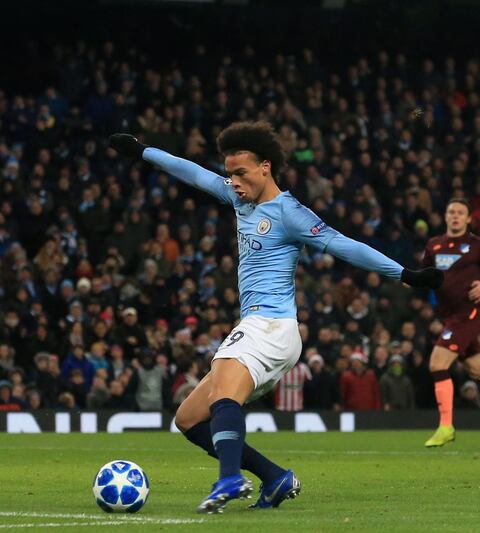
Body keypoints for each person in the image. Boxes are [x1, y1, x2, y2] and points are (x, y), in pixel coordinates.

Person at [109, 122, 442, 514]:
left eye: (241, 173)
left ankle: (230, 478)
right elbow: (194, 173)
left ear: (266, 167)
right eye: (230, 173)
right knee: (189, 419)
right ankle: (274, 477)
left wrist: (403, 274)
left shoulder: (290, 212)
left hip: (271, 325)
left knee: (224, 385)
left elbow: (342, 244)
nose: (233, 181)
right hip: (259, 328)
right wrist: (143, 152)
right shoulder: (239, 199)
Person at [421, 198, 480, 446]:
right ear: (445, 216)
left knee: (437, 363)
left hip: (470, 314)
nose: (455, 216)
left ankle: (446, 426)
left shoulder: (476, 245)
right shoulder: (434, 245)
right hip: (450, 316)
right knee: (476, 369)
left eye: (460, 213)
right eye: (451, 212)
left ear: (468, 219)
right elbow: (425, 275)